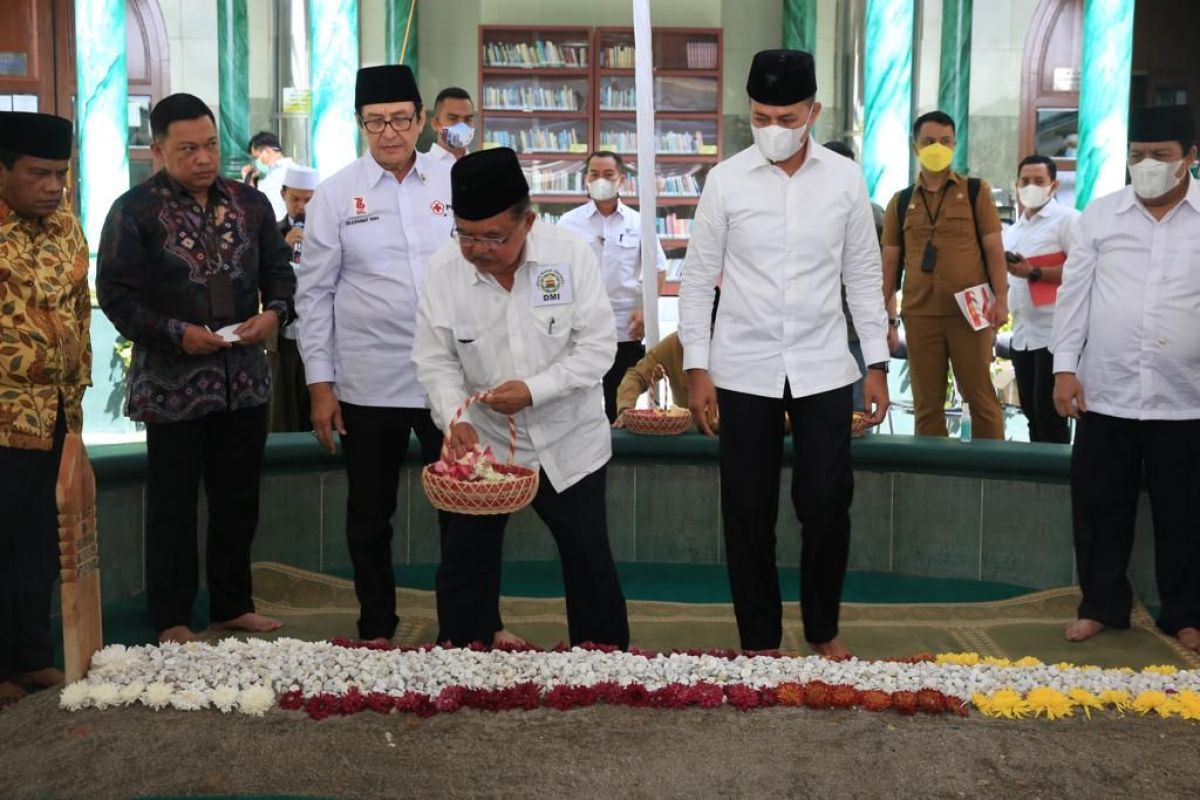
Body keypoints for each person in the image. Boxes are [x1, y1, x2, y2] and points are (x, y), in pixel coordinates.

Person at [679, 50, 889, 658]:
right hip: (742, 368)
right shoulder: (726, 181)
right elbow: (697, 279)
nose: (773, 128)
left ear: (814, 112)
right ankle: (760, 640)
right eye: (761, 116)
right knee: (747, 510)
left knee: (826, 504)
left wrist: (875, 363)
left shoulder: (844, 181)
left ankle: (823, 628)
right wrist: (698, 368)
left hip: (825, 365)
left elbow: (862, 273)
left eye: (786, 117)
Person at [297, 65, 487, 644]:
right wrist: (320, 385)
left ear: (422, 120)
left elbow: (483, 265)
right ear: (360, 124)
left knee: (463, 505)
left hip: (449, 382)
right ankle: (377, 624)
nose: (388, 132)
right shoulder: (334, 195)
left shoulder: (454, 179)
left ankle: (467, 623)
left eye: (400, 119)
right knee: (369, 515)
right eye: (374, 121)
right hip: (367, 381)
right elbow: (314, 294)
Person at [96, 93, 295, 644]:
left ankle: (232, 604)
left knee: (238, 500)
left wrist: (273, 315)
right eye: (188, 149)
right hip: (172, 385)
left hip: (244, 381)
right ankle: (172, 617)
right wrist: (175, 333)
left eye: (210, 145)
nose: (204, 158)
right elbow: (114, 296)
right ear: (159, 149)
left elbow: (280, 273)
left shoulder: (251, 206)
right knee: (173, 505)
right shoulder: (132, 212)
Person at [413, 147, 629, 649]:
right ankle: (461, 665)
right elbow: (436, 360)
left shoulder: (569, 256)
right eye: (466, 234)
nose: (479, 248)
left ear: (527, 222)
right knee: (466, 562)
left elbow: (598, 348)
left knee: (588, 557)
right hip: (484, 445)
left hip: (568, 439)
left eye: (494, 236)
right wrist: (454, 419)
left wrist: (534, 391)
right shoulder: (445, 272)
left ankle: (608, 674)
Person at [1051, 104, 1200, 651]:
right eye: (1137, 156)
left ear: (1190, 158)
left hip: (1186, 398)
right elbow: (1074, 296)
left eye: (1160, 156)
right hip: (1106, 390)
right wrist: (1064, 368)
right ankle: (1102, 604)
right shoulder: (1102, 214)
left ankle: (1186, 613)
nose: (1148, 166)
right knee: (1099, 506)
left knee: (1184, 511)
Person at [0, 112, 91, 706]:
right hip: (4, 414)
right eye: (38, 173)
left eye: (60, 173)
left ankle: (31, 657)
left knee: (39, 540)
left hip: (56, 413)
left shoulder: (66, 227)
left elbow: (80, 310)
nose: (54, 185)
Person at [881, 111, 1008, 439]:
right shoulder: (901, 201)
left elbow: (995, 251)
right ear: (915, 147)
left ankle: (988, 475)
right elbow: (890, 264)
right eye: (929, 141)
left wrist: (1002, 301)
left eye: (945, 141)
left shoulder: (977, 192)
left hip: (970, 313)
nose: (937, 147)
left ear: (954, 145)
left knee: (980, 397)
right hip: (921, 315)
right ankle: (933, 477)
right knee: (926, 403)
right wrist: (885, 316)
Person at [558, 150, 666, 421]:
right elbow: (553, 275)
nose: (601, 180)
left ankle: (618, 459)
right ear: (585, 179)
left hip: (625, 329)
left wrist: (645, 310)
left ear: (622, 180)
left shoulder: (638, 222)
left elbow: (658, 269)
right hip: (579, 329)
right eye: (594, 174)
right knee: (581, 405)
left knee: (619, 404)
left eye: (608, 174)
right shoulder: (568, 223)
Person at [1002, 154, 1077, 444]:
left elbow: (1082, 270)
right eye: (1025, 181)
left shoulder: (1068, 220)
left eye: (1039, 181)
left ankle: (1055, 482)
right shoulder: (1014, 230)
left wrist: (1034, 271)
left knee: (1050, 414)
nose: (1031, 186)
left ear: (1054, 185)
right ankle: (1036, 479)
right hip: (1022, 333)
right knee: (1031, 412)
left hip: (1056, 333)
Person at [822, 139, 895, 407]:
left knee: (858, 415)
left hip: (857, 334)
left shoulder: (873, 214)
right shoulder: (802, 213)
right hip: (816, 333)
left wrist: (891, 321)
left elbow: (884, 274)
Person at [268, 164, 319, 432]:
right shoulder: (271, 235)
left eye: (308, 200)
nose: (301, 206)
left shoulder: (329, 234)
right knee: (283, 412)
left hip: (319, 339)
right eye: (295, 199)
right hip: (283, 339)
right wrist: (284, 249)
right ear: (283, 195)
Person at [243, 131, 294, 218]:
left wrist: (247, 179)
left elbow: (256, 202)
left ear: (268, 151)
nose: (257, 162)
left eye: (257, 157)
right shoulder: (274, 172)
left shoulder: (281, 173)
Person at [425, 87, 476, 164]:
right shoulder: (420, 166)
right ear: (435, 123)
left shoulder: (482, 168)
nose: (462, 125)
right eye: (453, 118)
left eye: (467, 119)